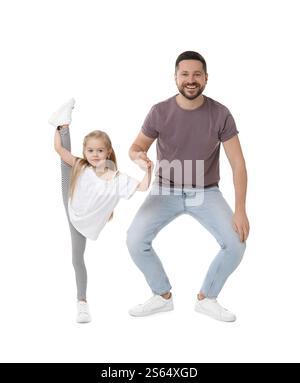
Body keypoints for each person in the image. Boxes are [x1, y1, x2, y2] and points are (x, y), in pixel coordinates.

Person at [126, 51, 250, 322]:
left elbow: (238, 164)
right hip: (164, 189)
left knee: (236, 243)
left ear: (206, 78)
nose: (190, 80)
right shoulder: (159, 111)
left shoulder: (221, 114)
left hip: (205, 191)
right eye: (185, 74)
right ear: (175, 77)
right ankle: (162, 296)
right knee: (135, 241)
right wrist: (140, 158)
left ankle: (208, 298)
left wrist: (240, 209)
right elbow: (135, 148)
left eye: (197, 74)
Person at [49, 99, 152, 323]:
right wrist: (58, 130)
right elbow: (58, 149)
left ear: (107, 152)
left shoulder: (116, 179)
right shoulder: (81, 164)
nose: (95, 154)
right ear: (85, 151)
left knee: (78, 257)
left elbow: (143, 186)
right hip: (72, 203)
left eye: (99, 150)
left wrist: (148, 169)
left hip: (84, 215)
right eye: (90, 150)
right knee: (77, 258)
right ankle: (82, 302)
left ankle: (62, 123)